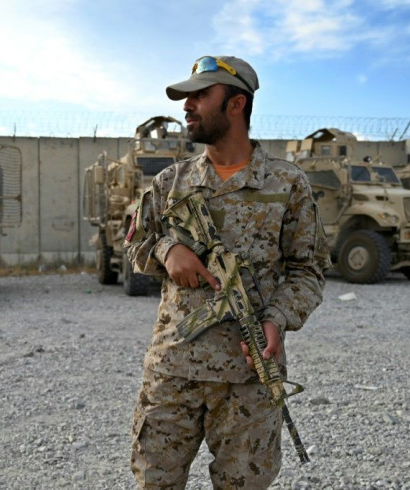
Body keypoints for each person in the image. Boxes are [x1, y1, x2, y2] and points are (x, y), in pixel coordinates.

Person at [124, 55, 331, 488]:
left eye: (200, 96)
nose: (187, 107)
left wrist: (277, 318)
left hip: (248, 377)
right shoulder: (170, 182)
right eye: (187, 98)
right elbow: (135, 244)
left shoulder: (286, 184)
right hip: (173, 369)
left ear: (236, 105)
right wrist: (168, 250)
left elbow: (307, 269)